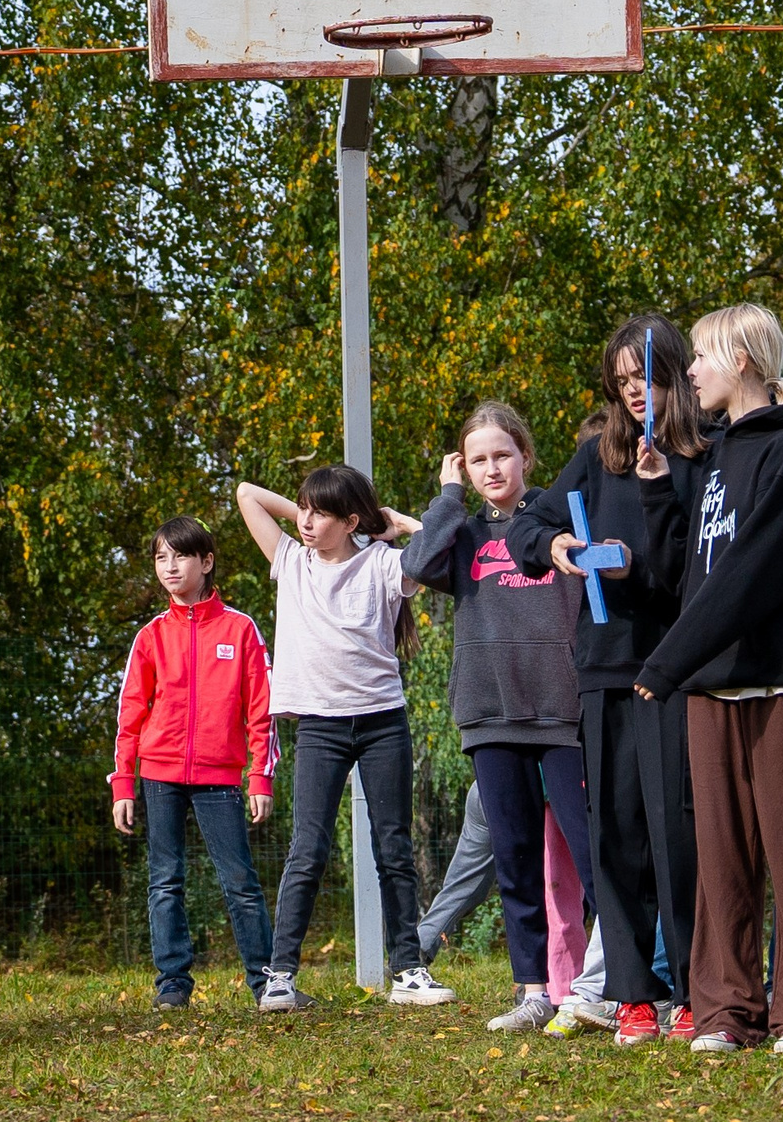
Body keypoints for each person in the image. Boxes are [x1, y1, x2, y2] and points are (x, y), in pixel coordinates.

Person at [633, 302, 783, 1056]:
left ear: (746, 361)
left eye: (702, 356)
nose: (689, 371)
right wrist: (660, 492)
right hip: (712, 690)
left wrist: (666, 662)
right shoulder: (717, 458)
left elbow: (751, 576)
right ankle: (726, 1014)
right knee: (720, 865)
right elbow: (690, 579)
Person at [512, 315, 711, 1047]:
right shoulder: (596, 458)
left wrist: (655, 507)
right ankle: (631, 995)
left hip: (677, 670)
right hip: (604, 671)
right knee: (617, 836)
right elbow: (525, 526)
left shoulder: (704, 458)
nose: (634, 394)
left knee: (678, 833)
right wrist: (558, 542)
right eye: (622, 382)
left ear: (677, 379)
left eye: (646, 379)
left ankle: (692, 989)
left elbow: (695, 563)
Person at [405, 402, 589, 1031]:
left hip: (565, 714)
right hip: (491, 713)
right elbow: (415, 565)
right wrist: (447, 497)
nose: (492, 468)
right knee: (513, 857)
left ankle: (612, 984)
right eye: (477, 459)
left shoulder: (558, 517)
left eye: (502, 455)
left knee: (592, 857)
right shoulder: (461, 533)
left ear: (526, 458)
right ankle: (533, 990)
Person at [235, 468, 438, 1010]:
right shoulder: (290, 562)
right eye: (302, 508)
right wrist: (312, 505)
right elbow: (247, 495)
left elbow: (441, 554)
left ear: (350, 521)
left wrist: (398, 524)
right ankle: (280, 977)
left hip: (382, 723)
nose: (304, 520)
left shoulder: (384, 564)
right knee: (308, 848)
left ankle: (409, 972)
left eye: (321, 513)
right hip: (320, 727)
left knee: (393, 847)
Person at [108, 515, 280, 1009]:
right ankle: (173, 986)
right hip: (158, 775)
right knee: (165, 881)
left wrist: (260, 777)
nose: (170, 566)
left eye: (180, 555)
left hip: (220, 778)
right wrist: (124, 783)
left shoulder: (240, 628)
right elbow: (130, 714)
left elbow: (260, 709)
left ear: (206, 562)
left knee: (240, 883)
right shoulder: (150, 636)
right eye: (161, 557)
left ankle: (267, 983)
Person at [416, 783, 491, 957]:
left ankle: (413, 956)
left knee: (464, 884)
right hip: (532, 785)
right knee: (545, 880)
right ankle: (539, 976)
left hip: (483, 785)